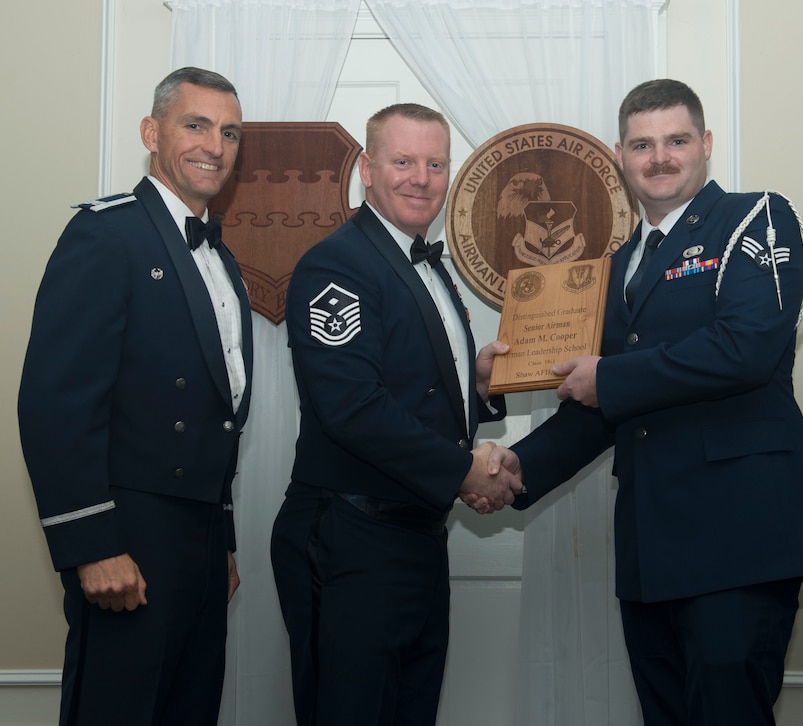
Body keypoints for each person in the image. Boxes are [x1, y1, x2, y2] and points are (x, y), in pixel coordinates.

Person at [488, 78, 803, 725]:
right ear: (621, 154)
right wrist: (515, 470)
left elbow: (746, 347)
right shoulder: (618, 266)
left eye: (676, 140)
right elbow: (599, 403)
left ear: (706, 144)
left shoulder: (756, 217)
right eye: (643, 144)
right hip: (652, 549)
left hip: (738, 543)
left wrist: (608, 379)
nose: (660, 157)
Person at [270, 102, 521, 726]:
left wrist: (480, 385)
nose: (421, 177)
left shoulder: (425, 263)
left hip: (414, 534)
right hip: (351, 536)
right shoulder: (338, 264)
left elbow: (417, 387)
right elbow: (352, 407)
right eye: (403, 161)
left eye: (436, 164)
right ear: (366, 169)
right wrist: (464, 470)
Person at [18, 67, 252, 725]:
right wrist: (91, 544)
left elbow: (220, 415)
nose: (214, 145)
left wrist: (223, 540)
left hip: (200, 538)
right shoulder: (107, 234)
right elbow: (55, 402)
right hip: (128, 531)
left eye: (229, 132)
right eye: (196, 125)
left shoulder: (221, 259)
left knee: (188, 710)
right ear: (152, 132)